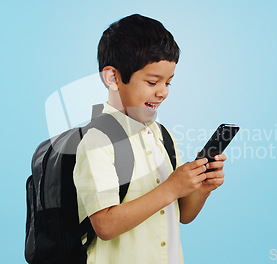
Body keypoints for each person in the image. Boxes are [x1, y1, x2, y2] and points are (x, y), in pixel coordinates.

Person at [73, 14, 227, 264]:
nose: (163, 92)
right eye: (152, 81)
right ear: (112, 78)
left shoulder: (162, 137)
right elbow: (105, 225)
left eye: (168, 82)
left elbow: (182, 214)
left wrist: (201, 188)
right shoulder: (98, 140)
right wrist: (172, 187)